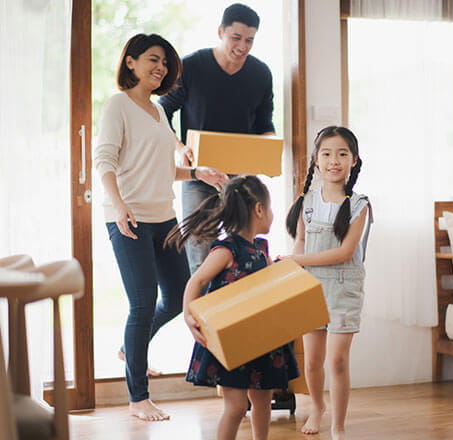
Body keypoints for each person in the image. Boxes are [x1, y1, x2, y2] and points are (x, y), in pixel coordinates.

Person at [94, 33, 229, 422]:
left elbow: (161, 167)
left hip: (163, 218)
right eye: (153, 59)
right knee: (141, 302)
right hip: (130, 218)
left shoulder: (157, 111)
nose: (161, 68)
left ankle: (128, 347)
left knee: (176, 297)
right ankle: (138, 397)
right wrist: (117, 205)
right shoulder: (118, 105)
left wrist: (196, 172)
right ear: (131, 62)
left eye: (166, 63)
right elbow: (105, 160)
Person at [165, 175, 299, 440]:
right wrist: (188, 315)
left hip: (262, 340)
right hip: (233, 342)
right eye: (270, 208)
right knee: (236, 407)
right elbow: (198, 279)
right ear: (259, 209)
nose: (272, 214)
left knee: (263, 402)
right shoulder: (226, 250)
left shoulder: (261, 250)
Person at [159, 3, 275, 276]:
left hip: (243, 179)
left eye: (250, 40)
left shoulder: (261, 74)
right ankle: (201, 315)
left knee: (244, 255)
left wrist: (267, 153)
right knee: (201, 255)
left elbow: (264, 125)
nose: (243, 46)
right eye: (236, 38)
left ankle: (234, 316)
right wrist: (180, 148)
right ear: (220, 31)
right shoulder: (191, 66)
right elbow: (162, 112)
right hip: (201, 176)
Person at [281, 126, 372, 440]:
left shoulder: (360, 204)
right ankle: (317, 407)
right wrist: (295, 264)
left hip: (344, 288)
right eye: (327, 153)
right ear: (316, 161)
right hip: (312, 288)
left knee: (337, 361)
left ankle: (339, 425)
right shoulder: (307, 201)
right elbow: (301, 242)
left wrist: (298, 261)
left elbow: (345, 252)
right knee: (313, 362)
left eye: (343, 154)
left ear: (354, 160)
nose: (335, 160)